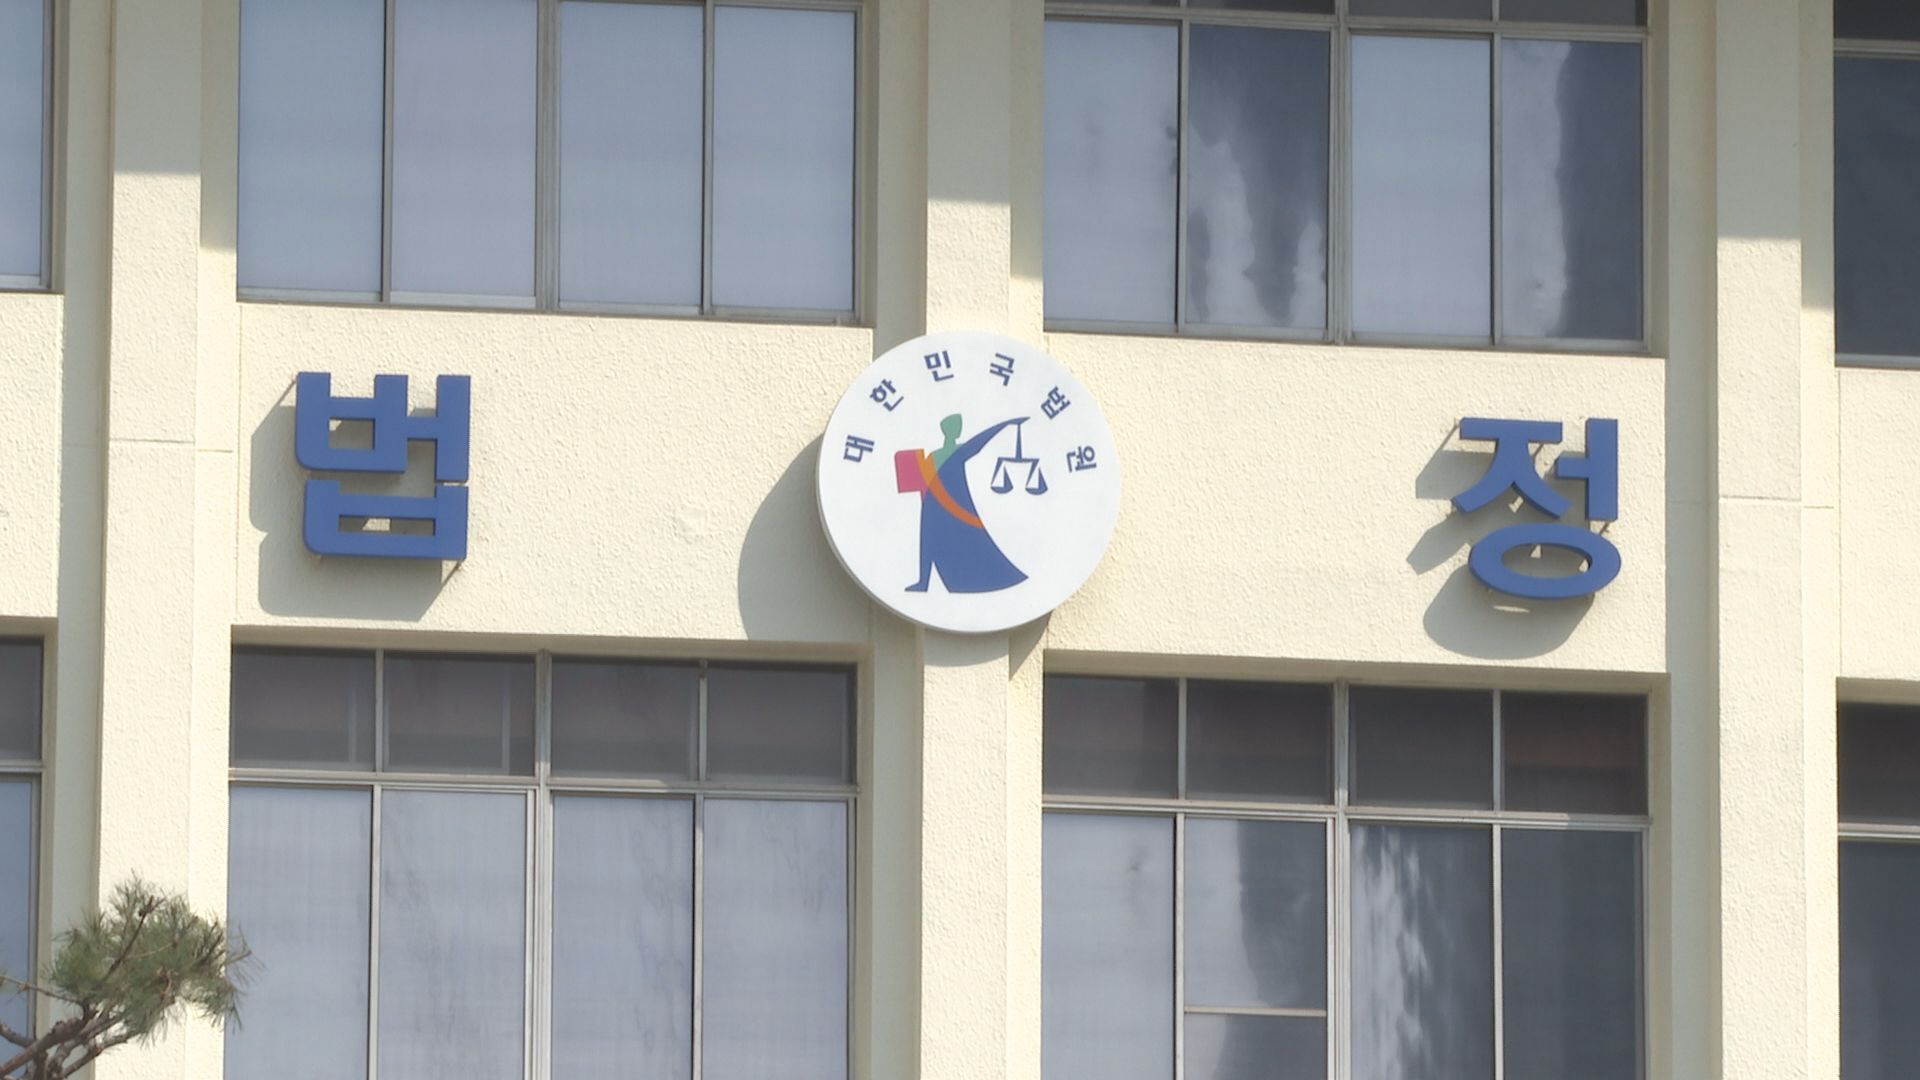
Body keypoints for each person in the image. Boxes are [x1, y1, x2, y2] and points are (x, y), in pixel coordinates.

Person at [899, 413, 1028, 594]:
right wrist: (1004, 425)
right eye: (955, 426)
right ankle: (923, 582)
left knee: (937, 542)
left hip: (945, 505)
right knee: (929, 542)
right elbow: (924, 481)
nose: (957, 429)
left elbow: (978, 444)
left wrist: (1004, 426)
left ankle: (925, 582)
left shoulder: (944, 453)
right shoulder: (947, 453)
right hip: (940, 505)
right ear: (949, 430)